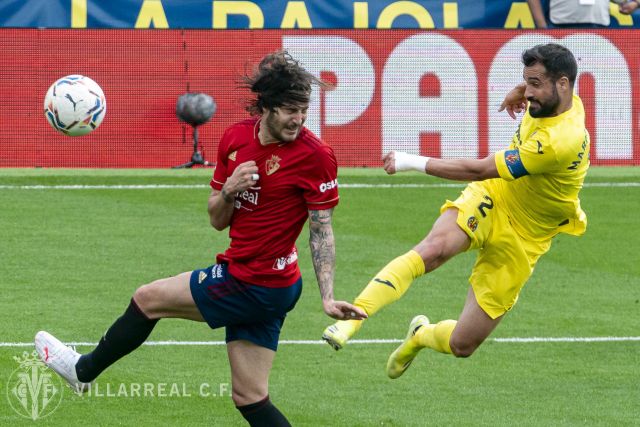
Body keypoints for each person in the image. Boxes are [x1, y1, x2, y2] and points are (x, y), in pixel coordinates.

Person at [35, 50, 366, 426]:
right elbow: (216, 220)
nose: (300, 119)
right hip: (266, 283)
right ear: (267, 107)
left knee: (148, 299)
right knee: (250, 397)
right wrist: (229, 191)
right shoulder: (236, 138)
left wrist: (327, 297)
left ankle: (84, 371)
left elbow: (321, 228)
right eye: (291, 110)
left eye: (304, 110)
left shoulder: (315, 155)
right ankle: (84, 373)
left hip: (256, 282)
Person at [322, 43, 589, 379]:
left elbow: (477, 170)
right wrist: (520, 91)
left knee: (464, 344)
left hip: (527, 237)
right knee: (433, 250)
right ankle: (351, 321)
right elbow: (536, 96)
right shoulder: (559, 99)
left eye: (536, 84)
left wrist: (410, 161)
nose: (529, 92)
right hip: (495, 198)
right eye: (528, 82)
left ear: (562, 84)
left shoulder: (559, 142)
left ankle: (419, 336)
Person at [527, 0, 637, 29]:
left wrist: (636, 3)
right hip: (561, 27)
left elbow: (625, 2)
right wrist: (542, 27)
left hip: (599, 29)